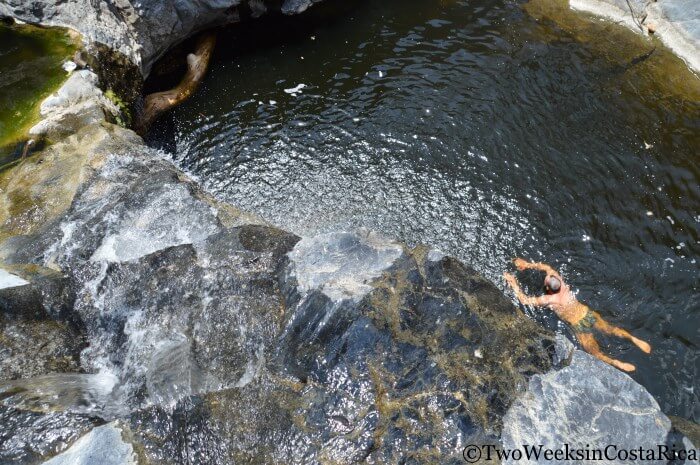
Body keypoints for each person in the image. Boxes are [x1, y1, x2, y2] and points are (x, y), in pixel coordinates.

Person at [503, 258, 651, 372]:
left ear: (548, 288)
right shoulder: (559, 281)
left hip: (579, 325)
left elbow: (524, 299)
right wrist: (528, 264)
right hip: (587, 313)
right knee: (611, 329)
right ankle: (634, 338)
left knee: (595, 353)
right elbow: (547, 268)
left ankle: (615, 362)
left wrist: (513, 283)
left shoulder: (549, 299)